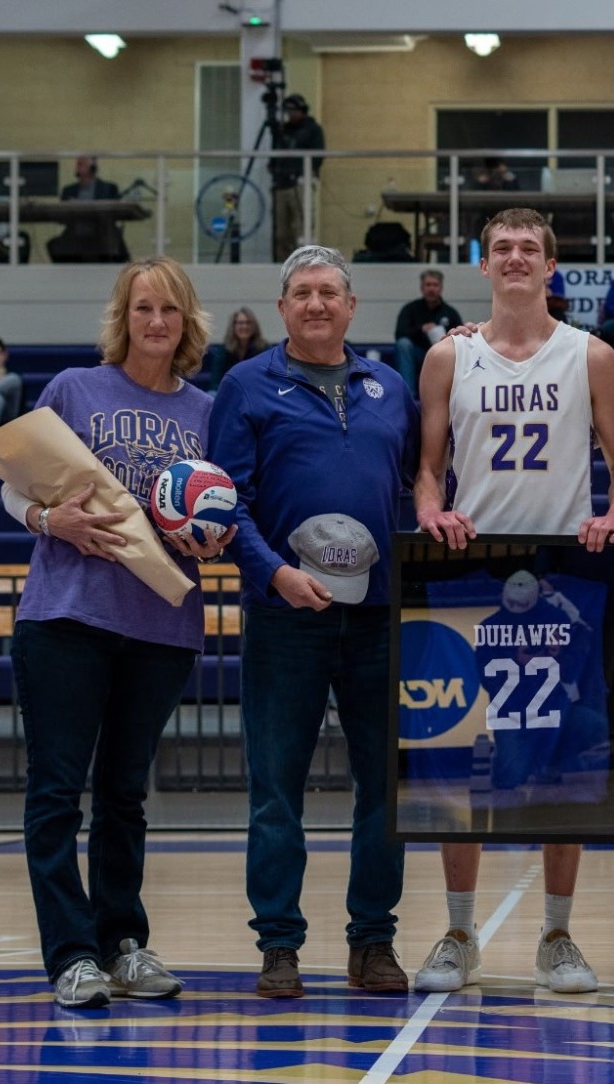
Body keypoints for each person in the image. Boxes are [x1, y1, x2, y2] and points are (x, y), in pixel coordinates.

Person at [411, 207, 614, 997]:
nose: (515, 257)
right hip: (474, 570)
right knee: (465, 756)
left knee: (562, 755)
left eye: (529, 248)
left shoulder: (592, 355)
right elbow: (427, 469)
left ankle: (558, 933)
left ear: (552, 265)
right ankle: (458, 931)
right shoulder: (448, 356)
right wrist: (431, 510)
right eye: (501, 247)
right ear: (482, 264)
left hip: (564, 572)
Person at [0, 256, 229, 1008]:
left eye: (168, 309)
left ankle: (123, 941)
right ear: (122, 318)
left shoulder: (207, 409)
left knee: (125, 794)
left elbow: (219, 509)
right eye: (141, 309)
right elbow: (13, 485)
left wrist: (212, 541)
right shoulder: (75, 389)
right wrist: (46, 517)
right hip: (67, 615)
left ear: (186, 320)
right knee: (58, 792)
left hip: (161, 623)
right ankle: (71, 956)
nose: (155, 322)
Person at [207, 245, 418, 998]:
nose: (317, 303)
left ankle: (373, 942)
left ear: (352, 307)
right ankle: (279, 947)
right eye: (302, 292)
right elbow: (225, 500)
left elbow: (421, 483)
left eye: (330, 291)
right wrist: (274, 574)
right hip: (282, 616)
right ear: (283, 307)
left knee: (384, 791)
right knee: (276, 790)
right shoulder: (244, 385)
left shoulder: (390, 387)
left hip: (377, 618)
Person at [270, 95, 325, 261]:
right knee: (281, 232)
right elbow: (275, 154)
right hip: (281, 184)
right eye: (288, 111)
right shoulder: (283, 130)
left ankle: (303, 265)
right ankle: (281, 265)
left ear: (302, 111)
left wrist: (306, 174)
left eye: (294, 111)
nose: (291, 114)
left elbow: (317, 156)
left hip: (300, 183)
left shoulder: (312, 129)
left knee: (302, 229)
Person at [391, 269, 463, 392]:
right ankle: (408, 396)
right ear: (422, 287)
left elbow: (462, 340)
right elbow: (399, 334)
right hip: (418, 356)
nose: (431, 289)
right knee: (403, 344)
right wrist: (421, 329)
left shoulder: (450, 313)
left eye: (435, 285)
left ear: (441, 288)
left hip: (442, 357)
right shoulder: (410, 309)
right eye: (428, 285)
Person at [49, 155, 130, 264]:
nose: (77, 167)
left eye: (81, 164)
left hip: (101, 233)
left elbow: (114, 214)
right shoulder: (68, 191)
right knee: (55, 245)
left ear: (93, 167)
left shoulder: (109, 188)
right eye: (77, 164)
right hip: (76, 233)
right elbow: (62, 217)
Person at [203, 308, 270, 388]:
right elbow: (216, 381)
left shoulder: (263, 349)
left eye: (248, 323)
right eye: (241, 323)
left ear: (254, 326)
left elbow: (267, 379)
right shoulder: (223, 351)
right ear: (233, 326)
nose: (244, 326)